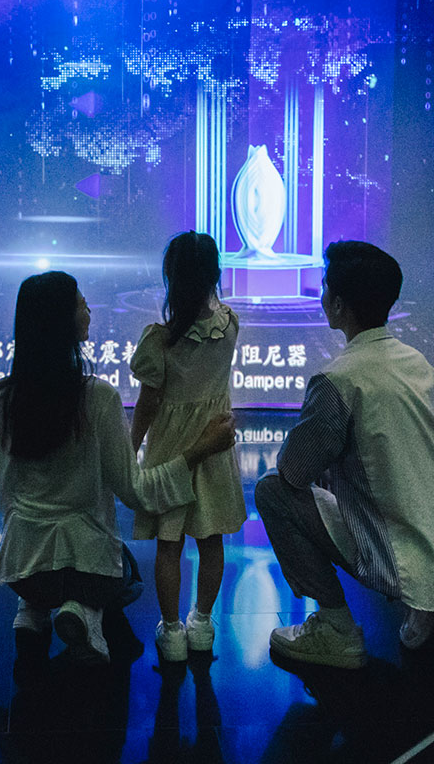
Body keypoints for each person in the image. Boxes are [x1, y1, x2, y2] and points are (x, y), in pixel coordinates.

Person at [0, 271, 237, 663]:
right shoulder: (98, 397)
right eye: (81, 304)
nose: (89, 310)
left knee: (44, 576)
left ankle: (32, 609)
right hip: (87, 568)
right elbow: (136, 492)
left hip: (22, 569)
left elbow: (5, 494)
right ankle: (84, 611)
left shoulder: (1, 399)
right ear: (62, 322)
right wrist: (200, 449)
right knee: (129, 576)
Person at [257, 240, 434, 669]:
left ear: (338, 304)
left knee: (271, 491)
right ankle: (427, 609)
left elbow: (293, 470)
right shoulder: (417, 362)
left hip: (395, 554)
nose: (322, 295)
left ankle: (335, 627)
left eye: (324, 287)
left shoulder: (339, 378)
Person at [129, 231, 245, 662]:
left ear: (172, 278)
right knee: (211, 540)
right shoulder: (229, 325)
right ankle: (202, 622)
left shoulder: (158, 340)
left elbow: (148, 404)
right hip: (215, 448)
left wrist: (131, 448)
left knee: (169, 543)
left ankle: (173, 631)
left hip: (172, 452)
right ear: (214, 274)